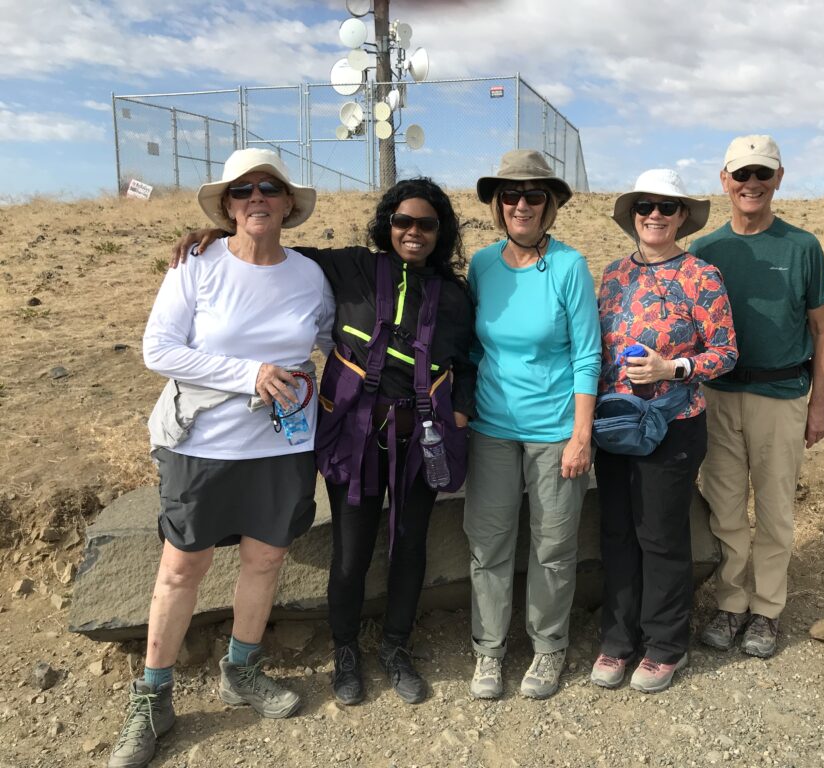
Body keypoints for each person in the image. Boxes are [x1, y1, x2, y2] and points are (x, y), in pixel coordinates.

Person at [171, 178, 476, 707]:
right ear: (388, 225)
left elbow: (469, 359)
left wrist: (461, 414)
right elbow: (270, 251)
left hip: (421, 441)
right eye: (403, 221)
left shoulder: (452, 294)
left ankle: (397, 649)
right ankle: (347, 652)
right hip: (354, 439)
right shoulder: (350, 267)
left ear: (440, 232)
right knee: (351, 551)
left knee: (409, 545)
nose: (413, 232)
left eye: (427, 224)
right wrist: (219, 233)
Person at [110, 148, 335, 768]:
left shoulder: (310, 277)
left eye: (269, 188)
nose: (256, 197)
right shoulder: (197, 263)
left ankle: (242, 669)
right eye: (243, 191)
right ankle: (153, 697)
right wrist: (249, 375)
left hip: (283, 445)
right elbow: (160, 349)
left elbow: (330, 340)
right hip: (203, 445)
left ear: (289, 204)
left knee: (264, 563)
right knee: (182, 568)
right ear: (228, 206)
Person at [591, 169, 737, 693]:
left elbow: (725, 353)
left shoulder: (702, 276)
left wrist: (670, 369)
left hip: (674, 424)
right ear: (632, 215)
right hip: (616, 423)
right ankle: (618, 638)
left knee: (660, 535)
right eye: (645, 206)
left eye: (667, 207)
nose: (655, 215)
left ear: (682, 217)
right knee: (615, 532)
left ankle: (665, 643)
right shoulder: (611, 275)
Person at [691, 135, 824, 659]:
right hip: (719, 394)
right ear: (724, 180)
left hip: (781, 395)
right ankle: (731, 602)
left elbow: (823, 330)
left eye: (763, 174)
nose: (752, 184)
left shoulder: (802, 248)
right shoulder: (704, 252)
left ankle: (767, 609)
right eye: (743, 175)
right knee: (725, 506)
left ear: (779, 178)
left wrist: (818, 405)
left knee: (775, 508)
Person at [464, 149, 601, 700]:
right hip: (492, 427)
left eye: (534, 196)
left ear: (550, 207)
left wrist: (581, 435)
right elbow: (472, 345)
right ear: (498, 206)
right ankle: (488, 651)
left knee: (552, 545)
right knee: (488, 543)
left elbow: (588, 356)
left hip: (555, 431)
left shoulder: (569, 267)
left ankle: (548, 648)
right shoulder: (482, 265)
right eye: (511, 196)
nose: (522, 205)